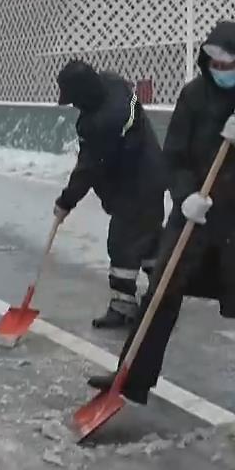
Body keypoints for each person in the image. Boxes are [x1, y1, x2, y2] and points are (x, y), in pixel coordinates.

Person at [86, 21, 235, 409]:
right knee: (162, 289)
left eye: (228, 63)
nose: (221, 71)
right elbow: (175, 156)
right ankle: (131, 375)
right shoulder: (194, 95)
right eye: (214, 63)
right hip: (198, 213)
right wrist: (184, 198)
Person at [53, 59, 165, 329]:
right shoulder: (114, 83)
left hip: (135, 185)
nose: (74, 106)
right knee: (147, 237)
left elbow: (88, 168)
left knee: (123, 242)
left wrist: (66, 201)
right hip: (151, 172)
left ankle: (123, 306)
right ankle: (164, 289)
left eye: (74, 100)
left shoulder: (104, 121)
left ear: (84, 94)